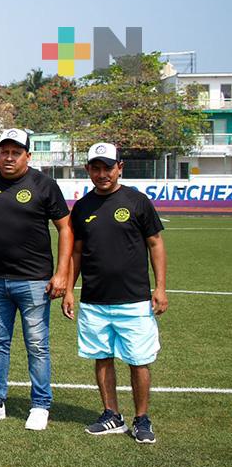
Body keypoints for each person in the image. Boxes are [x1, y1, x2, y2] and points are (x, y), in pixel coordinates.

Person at [0, 129, 73, 431]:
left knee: (37, 345)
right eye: (4, 151)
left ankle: (40, 405)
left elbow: (66, 229)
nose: (9, 157)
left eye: (16, 152)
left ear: (28, 155)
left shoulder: (44, 184)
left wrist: (62, 273)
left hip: (35, 281)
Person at [65, 143, 166, 444]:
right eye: (95, 168)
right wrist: (69, 290)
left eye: (107, 167)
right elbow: (77, 253)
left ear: (120, 167)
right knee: (102, 357)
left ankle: (142, 418)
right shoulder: (82, 207)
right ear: (88, 170)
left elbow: (156, 244)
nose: (102, 174)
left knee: (138, 360)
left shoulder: (137, 201)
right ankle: (112, 415)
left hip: (134, 299)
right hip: (95, 300)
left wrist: (160, 287)